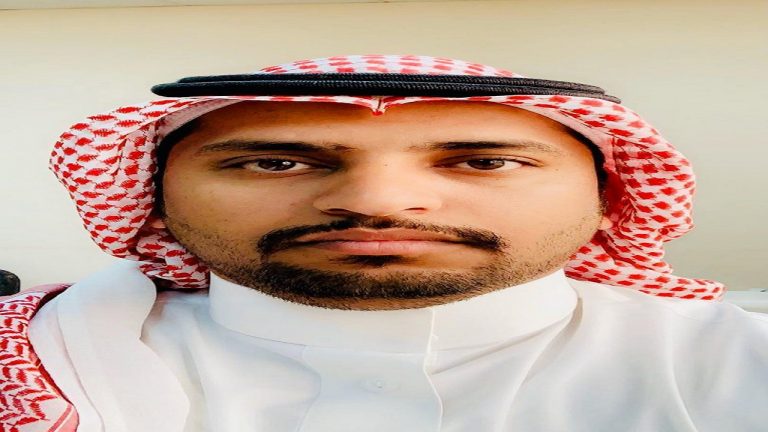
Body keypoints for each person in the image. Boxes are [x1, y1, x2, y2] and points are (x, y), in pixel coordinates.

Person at [2, 55, 766, 432]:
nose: (375, 203)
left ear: (609, 200)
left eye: (484, 162)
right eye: (274, 162)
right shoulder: (39, 353)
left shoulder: (741, 364)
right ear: (155, 197)